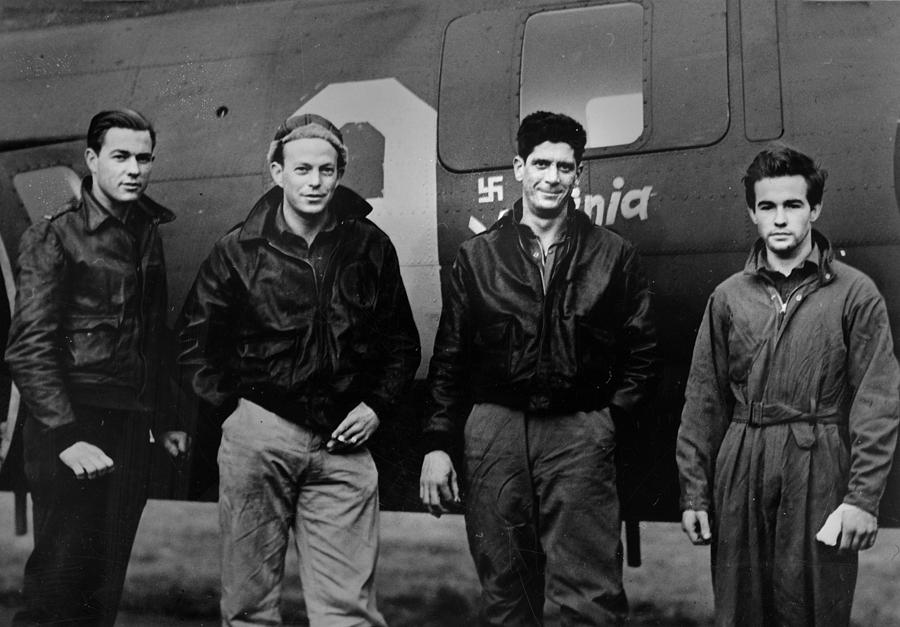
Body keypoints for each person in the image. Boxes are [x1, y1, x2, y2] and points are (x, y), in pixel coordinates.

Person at [177, 112, 420, 626]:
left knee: (348, 612)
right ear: (276, 170)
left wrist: (377, 406)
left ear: (341, 173)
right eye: (303, 169)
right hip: (260, 441)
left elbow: (400, 343)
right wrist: (233, 414)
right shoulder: (237, 249)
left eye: (327, 171)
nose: (315, 182)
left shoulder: (369, 246)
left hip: (344, 449)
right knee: (249, 609)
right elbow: (193, 344)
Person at [419, 111, 659, 626]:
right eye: (542, 164)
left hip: (579, 430)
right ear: (519, 168)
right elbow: (450, 357)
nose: (552, 177)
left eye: (565, 166)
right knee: (505, 593)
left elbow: (642, 354)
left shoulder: (613, 254)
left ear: (578, 174)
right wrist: (439, 443)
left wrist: (606, 423)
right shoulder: (478, 257)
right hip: (495, 431)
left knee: (589, 596)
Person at [676, 145, 900, 626]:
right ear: (752, 213)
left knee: (815, 608)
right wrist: (695, 493)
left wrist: (861, 499)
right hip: (742, 463)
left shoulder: (854, 293)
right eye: (768, 207)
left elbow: (876, 402)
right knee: (741, 609)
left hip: (817, 464)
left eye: (793, 205)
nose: (780, 219)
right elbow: (703, 401)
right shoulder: (729, 297)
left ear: (814, 209)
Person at [5, 108, 190, 626]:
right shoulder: (55, 236)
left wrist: (167, 418)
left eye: (144, 158)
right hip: (70, 424)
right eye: (121, 157)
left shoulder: (145, 230)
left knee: (101, 592)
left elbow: (153, 338)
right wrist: (66, 436)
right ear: (92, 160)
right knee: (59, 588)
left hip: (127, 425)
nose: (134, 169)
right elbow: (28, 348)